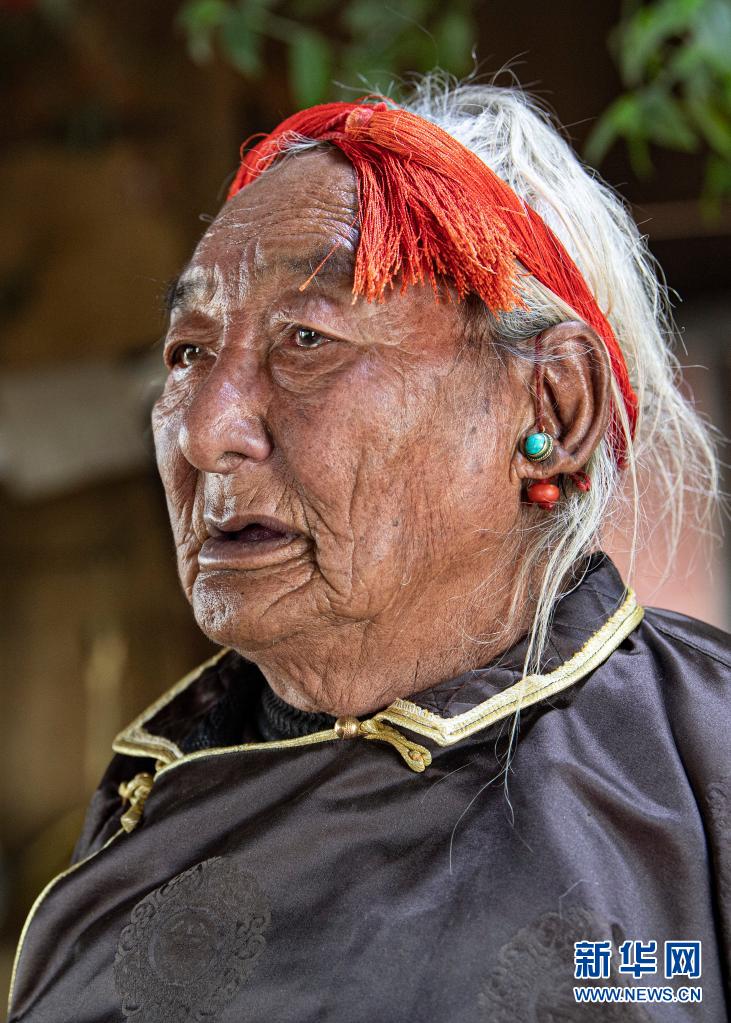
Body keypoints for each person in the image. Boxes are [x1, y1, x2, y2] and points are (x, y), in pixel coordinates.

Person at [8, 79, 729, 1022]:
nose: (205, 431)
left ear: (552, 407)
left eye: (307, 338)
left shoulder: (702, 772)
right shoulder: (142, 806)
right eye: (188, 352)